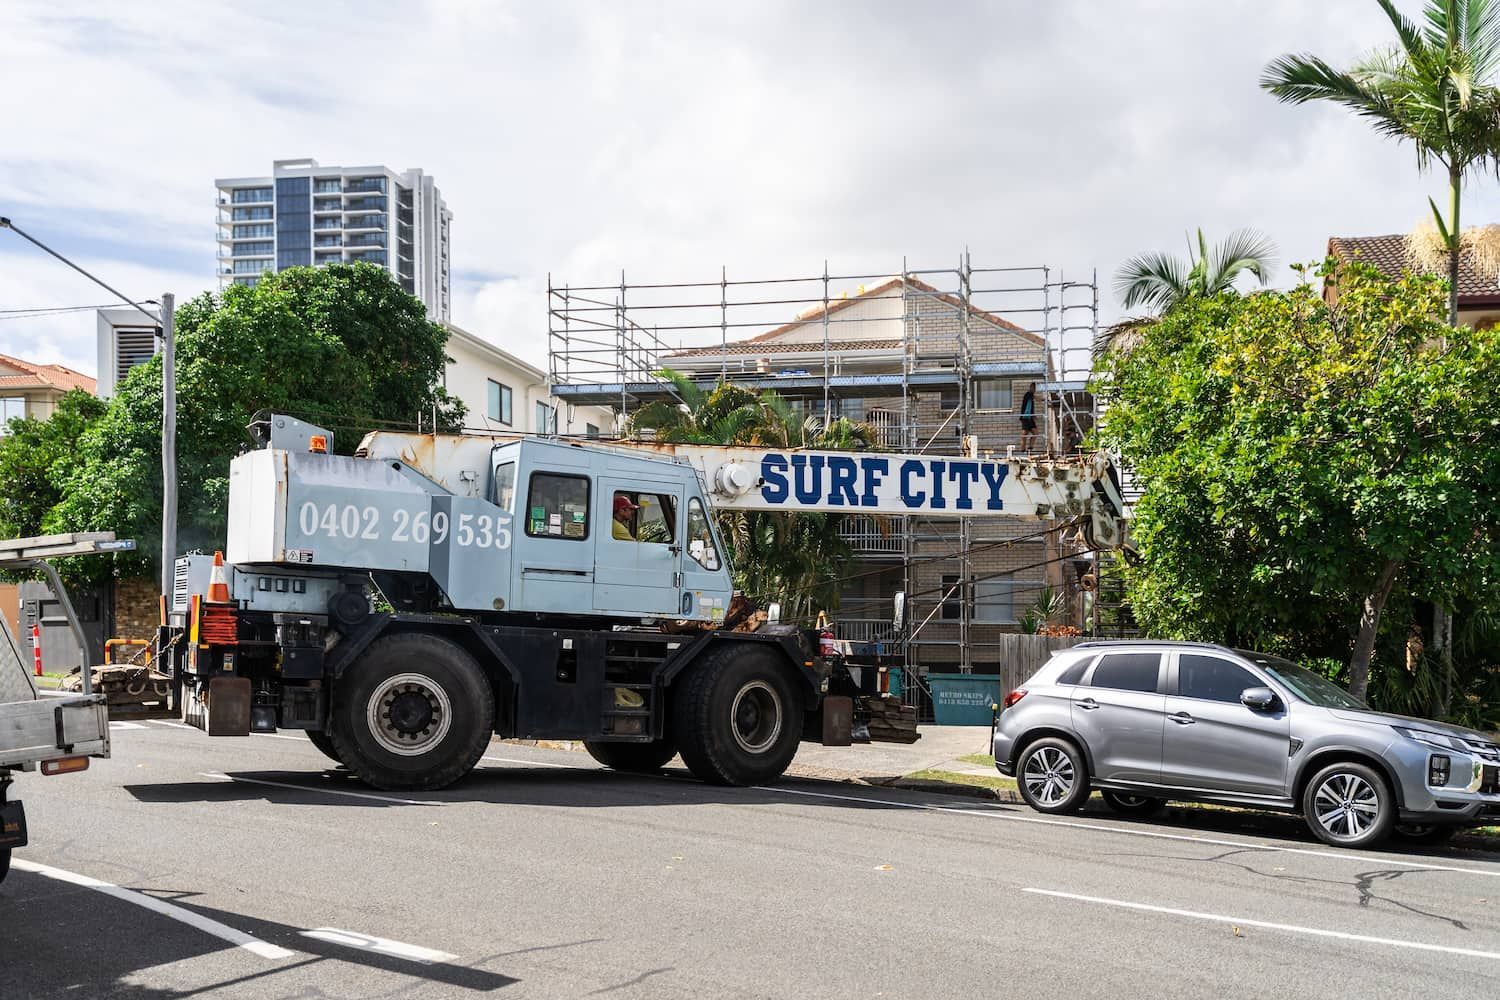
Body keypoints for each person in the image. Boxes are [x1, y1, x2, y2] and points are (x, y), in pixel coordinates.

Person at [1019, 382, 1038, 453]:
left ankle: (1030, 447)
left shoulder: (1031, 396)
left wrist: (1033, 415)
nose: (1034, 390)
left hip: (1030, 418)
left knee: (1035, 432)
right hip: (1025, 417)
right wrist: (1043, 399)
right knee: (1024, 433)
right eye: (1034, 388)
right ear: (1031, 388)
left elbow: (1030, 407)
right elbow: (1035, 398)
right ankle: (1022, 449)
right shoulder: (1028, 394)